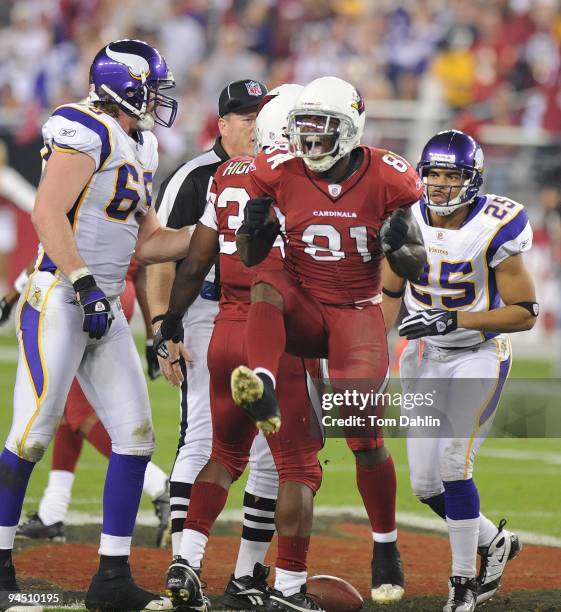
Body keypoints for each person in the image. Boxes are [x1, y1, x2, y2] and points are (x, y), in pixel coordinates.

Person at [0, 39, 192, 612]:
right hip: (61, 296)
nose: (158, 102)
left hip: (102, 304)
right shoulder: (83, 127)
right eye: (150, 90)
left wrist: (216, 235)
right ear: (123, 86)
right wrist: (83, 282)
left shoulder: (143, 144)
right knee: (33, 433)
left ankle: (111, 578)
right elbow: (46, 212)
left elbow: (152, 239)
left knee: (135, 437)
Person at [230, 76, 427, 605]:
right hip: (303, 304)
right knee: (267, 280)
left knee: (363, 436)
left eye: (323, 127)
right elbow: (249, 260)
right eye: (305, 127)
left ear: (351, 128)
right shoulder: (277, 170)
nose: (312, 138)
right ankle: (264, 380)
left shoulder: (390, 176)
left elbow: (417, 265)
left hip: (355, 312)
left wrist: (400, 248)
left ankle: (385, 547)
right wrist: (256, 231)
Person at [155, 83, 325, 612]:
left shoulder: (226, 174)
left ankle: (188, 559)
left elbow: (197, 259)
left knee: (223, 454)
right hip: (276, 332)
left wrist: (171, 323)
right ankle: (289, 588)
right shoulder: (305, 180)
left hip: (223, 327)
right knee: (297, 465)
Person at [382, 130, 533, 612]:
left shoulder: (494, 223)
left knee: (454, 463)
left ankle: (463, 583)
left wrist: (455, 318)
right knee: (426, 486)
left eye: (452, 176)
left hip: (477, 352)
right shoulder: (404, 215)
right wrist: (370, 353)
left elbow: (526, 310)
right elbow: (389, 292)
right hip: (423, 355)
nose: (441, 185)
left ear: (473, 179)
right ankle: (497, 542)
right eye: (434, 175)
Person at [1, 261, 170, 547]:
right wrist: (153, 334)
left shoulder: (79, 216)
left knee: (78, 413)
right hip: (116, 293)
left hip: (84, 297)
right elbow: (141, 268)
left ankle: (159, 484)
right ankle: (52, 512)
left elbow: (50, 250)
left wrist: (11, 296)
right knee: (67, 407)